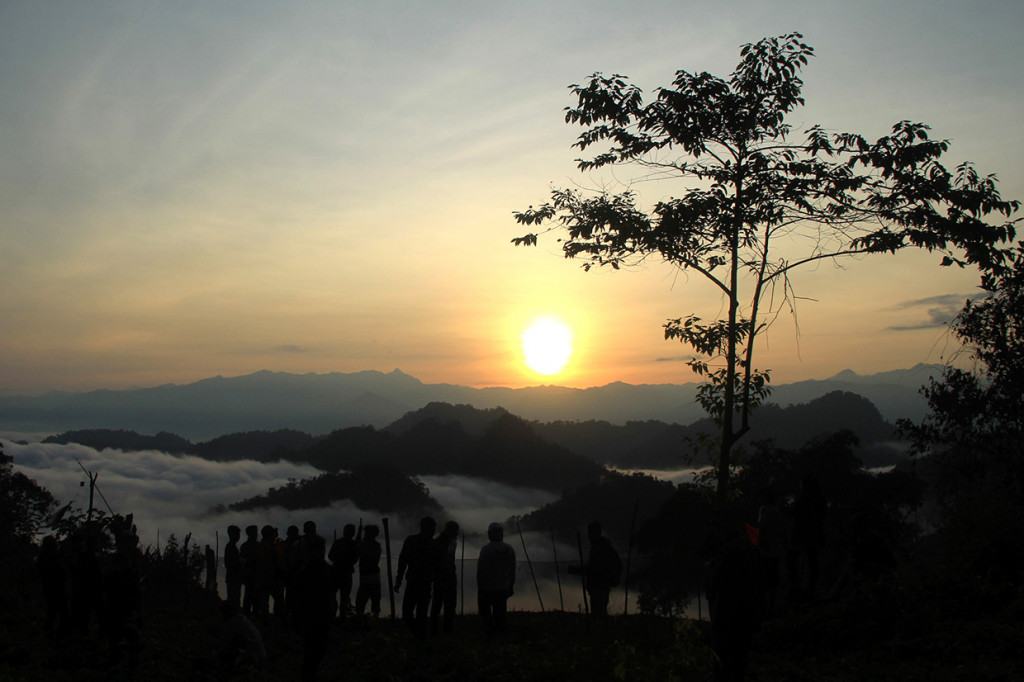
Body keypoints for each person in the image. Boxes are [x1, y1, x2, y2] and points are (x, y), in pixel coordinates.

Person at [705, 507, 763, 682]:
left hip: (731, 613)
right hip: (744, 612)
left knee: (726, 657)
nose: (716, 531)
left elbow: (718, 582)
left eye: (717, 526)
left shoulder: (732, 550)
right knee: (738, 658)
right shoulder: (746, 547)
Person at [293, 534, 336, 682]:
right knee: (313, 652)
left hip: (319, 615)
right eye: (319, 549)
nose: (322, 552)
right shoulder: (311, 571)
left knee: (314, 652)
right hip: (314, 616)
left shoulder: (319, 570)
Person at [569, 521, 622, 619]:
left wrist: (577, 570)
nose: (589, 536)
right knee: (599, 612)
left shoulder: (601, 549)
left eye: (591, 533)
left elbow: (595, 569)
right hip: (600, 586)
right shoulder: (601, 547)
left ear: (597, 533)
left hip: (600, 586)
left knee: (598, 613)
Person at [395, 516, 436, 639]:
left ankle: (420, 638)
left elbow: (403, 562)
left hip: (423, 582)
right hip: (416, 582)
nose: (434, 531)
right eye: (432, 528)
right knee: (411, 614)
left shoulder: (431, 544)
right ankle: (420, 637)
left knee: (417, 615)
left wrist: (399, 580)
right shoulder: (414, 542)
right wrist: (399, 580)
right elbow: (403, 561)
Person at [476, 522, 515, 635]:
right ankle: (500, 634)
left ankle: (488, 634)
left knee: (486, 614)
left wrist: (480, 587)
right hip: (503, 587)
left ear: (490, 534)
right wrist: (510, 585)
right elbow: (512, 570)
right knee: (500, 612)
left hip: (487, 587)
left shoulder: (486, 550)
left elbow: (481, 570)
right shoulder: (509, 549)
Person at [756, 486, 789, 618]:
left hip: (766, 551)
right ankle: (772, 608)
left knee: (766, 582)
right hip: (775, 551)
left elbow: (763, 529)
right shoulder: (777, 512)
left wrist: (760, 546)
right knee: (773, 581)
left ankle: (766, 611)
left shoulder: (765, 510)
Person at [430, 521, 459, 635]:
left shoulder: (437, 541)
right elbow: (446, 561)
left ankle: (435, 630)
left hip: (439, 577)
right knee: (449, 605)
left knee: (437, 604)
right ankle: (447, 630)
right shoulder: (450, 543)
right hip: (446, 577)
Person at [328, 523, 360, 623]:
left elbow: (330, 556)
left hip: (336, 572)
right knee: (344, 598)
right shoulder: (354, 544)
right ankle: (342, 618)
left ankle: (332, 617)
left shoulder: (338, 543)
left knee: (334, 596)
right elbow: (355, 559)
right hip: (346, 574)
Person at [355, 525, 382, 619]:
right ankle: (372, 617)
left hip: (368, 576)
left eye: (366, 533)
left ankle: (363, 618)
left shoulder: (370, 545)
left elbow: (357, 549)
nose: (365, 535)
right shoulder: (375, 545)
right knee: (374, 600)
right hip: (372, 576)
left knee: (361, 601)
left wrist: (359, 537)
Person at [240, 525, 260, 615]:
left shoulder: (258, 545)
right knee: (249, 598)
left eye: (256, 532)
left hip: (257, 577)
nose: (256, 535)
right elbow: (244, 562)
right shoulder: (246, 546)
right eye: (254, 533)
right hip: (250, 576)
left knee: (256, 600)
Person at [224, 525, 243, 609]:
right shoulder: (231, 547)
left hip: (233, 577)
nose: (238, 536)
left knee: (234, 598)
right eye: (237, 534)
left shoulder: (231, 546)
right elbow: (230, 563)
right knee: (233, 599)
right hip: (233, 577)